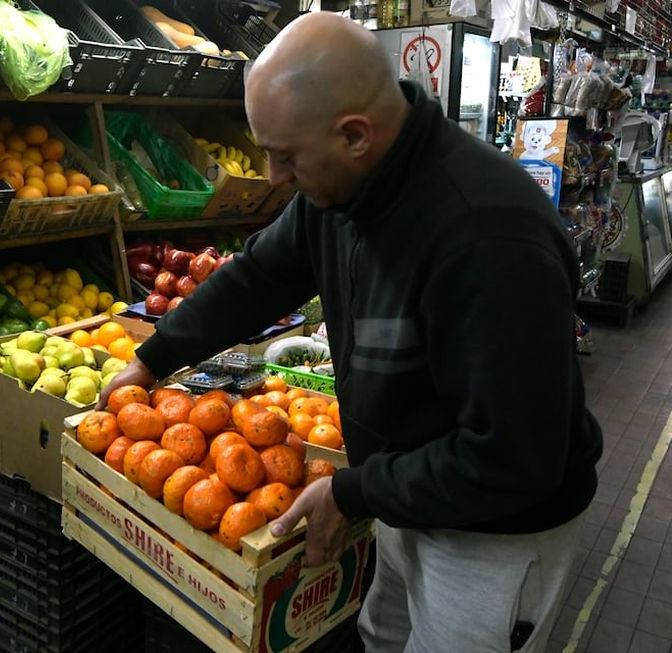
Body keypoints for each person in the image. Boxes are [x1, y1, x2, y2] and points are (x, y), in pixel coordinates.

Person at [98, 12, 601, 653]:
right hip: (404, 488)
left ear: (355, 135)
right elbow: (258, 277)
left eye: (286, 157)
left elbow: (515, 459)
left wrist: (355, 489)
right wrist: (155, 357)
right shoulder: (342, 190)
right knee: (383, 636)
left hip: (494, 531)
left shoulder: (490, 238)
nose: (275, 177)